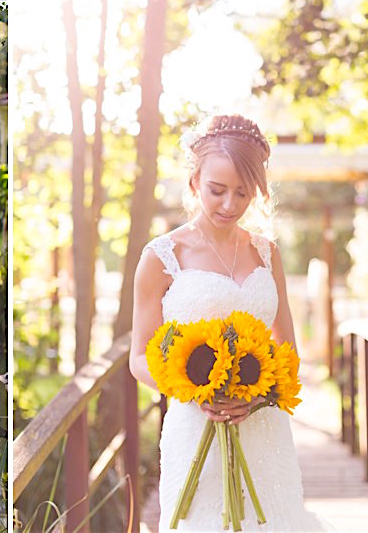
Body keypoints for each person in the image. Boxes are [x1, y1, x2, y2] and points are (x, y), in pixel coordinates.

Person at [129, 114, 328, 531]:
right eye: (217, 190)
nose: (229, 205)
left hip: (265, 432)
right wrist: (195, 391)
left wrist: (257, 398)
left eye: (243, 193)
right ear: (194, 181)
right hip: (194, 423)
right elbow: (138, 358)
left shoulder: (267, 253)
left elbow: (287, 350)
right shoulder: (161, 257)